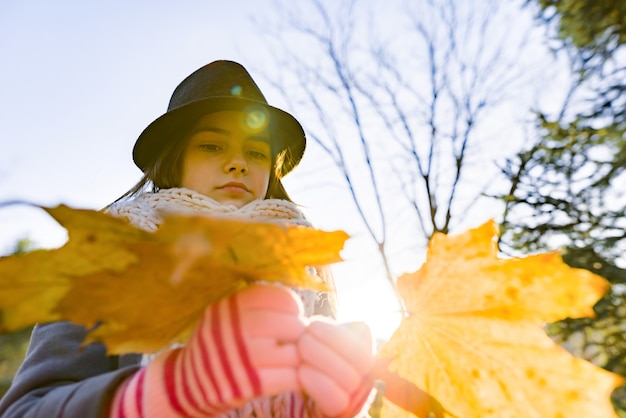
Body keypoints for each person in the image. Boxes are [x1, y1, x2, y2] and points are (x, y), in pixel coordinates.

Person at [0, 60, 375, 418]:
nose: (238, 163)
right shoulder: (105, 256)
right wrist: (167, 393)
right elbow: (26, 410)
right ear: (173, 159)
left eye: (256, 151)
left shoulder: (305, 266)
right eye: (212, 145)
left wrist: (330, 405)